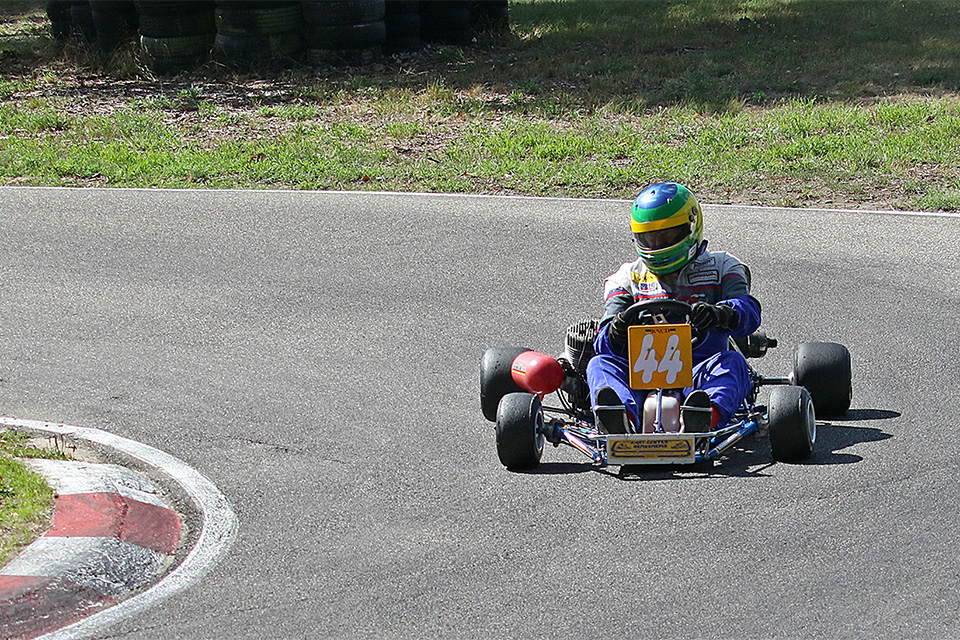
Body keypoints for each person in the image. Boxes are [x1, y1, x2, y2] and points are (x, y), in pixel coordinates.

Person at [586, 182, 761, 434]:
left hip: (701, 366)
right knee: (599, 364)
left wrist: (721, 313)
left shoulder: (723, 266)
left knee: (732, 363)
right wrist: (616, 331)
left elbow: (748, 312)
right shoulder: (626, 278)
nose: (657, 244)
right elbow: (603, 341)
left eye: (666, 236)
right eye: (649, 237)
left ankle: (704, 415)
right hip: (638, 374)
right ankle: (620, 417)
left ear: (690, 226)